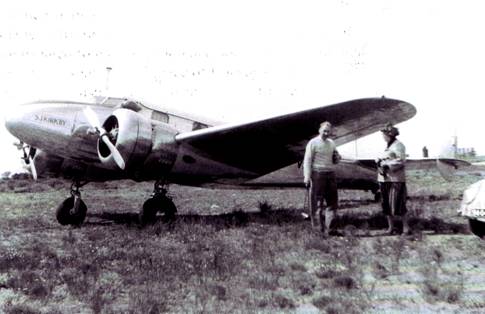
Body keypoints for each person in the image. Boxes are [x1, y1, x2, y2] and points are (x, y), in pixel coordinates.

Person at [303, 121, 341, 236]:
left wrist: (337, 157)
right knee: (317, 203)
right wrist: (307, 176)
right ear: (319, 130)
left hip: (330, 174)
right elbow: (307, 160)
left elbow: (336, 157)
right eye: (324, 131)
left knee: (332, 202)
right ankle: (318, 230)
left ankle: (331, 229)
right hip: (317, 174)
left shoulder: (331, 143)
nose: (326, 133)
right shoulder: (313, 143)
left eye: (328, 131)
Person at [376, 123, 410, 235]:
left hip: (395, 179)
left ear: (389, 135)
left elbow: (401, 160)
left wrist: (387, 165)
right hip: (384, 179)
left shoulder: (398, 145)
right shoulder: (388, 146)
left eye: (384, 134)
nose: (382, 136)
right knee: (385, 204)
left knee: (399, 203)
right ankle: (391, 227)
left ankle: (406, 228)